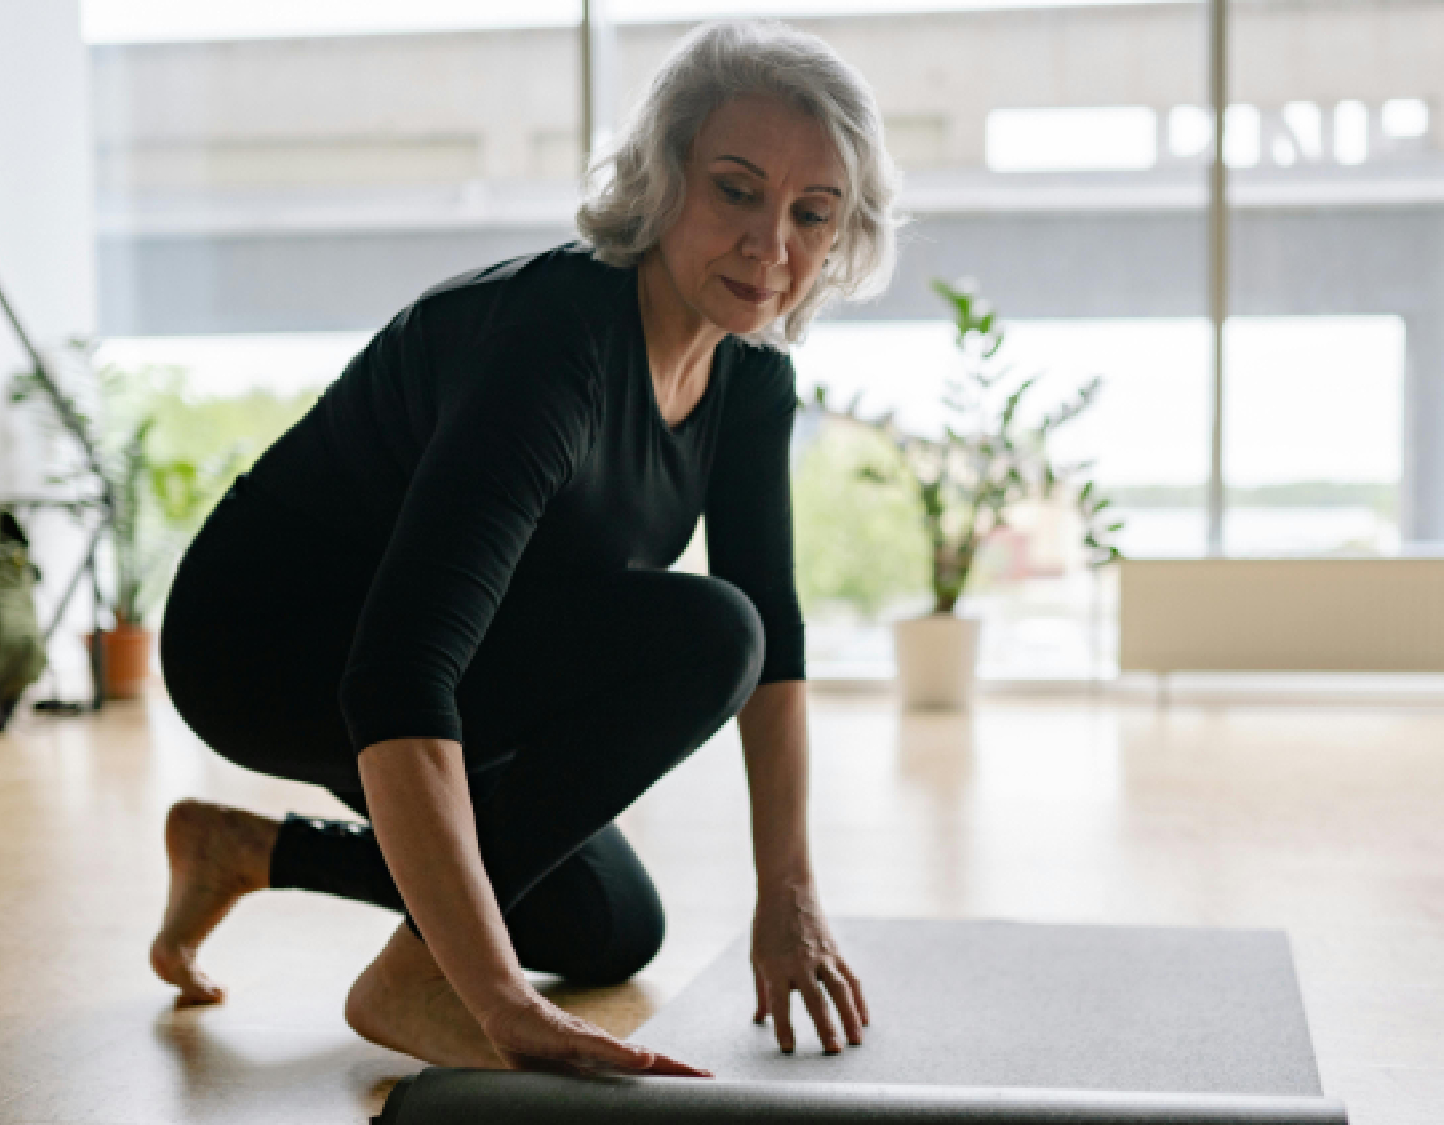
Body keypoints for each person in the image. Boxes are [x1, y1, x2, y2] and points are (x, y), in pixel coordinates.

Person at [148, 19, 901, 1078]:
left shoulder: (748, 378)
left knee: (606, 926)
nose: (770, 246)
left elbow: (777, 644)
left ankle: (245, 851)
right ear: (661, 176)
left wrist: (789, 898)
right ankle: (410, 984)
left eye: (810, 213)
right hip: (270, 641)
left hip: (451, 654)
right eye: (736, 190)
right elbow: (400, 671)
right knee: (703, 635)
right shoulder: (551, 345)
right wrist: (491, 1001)